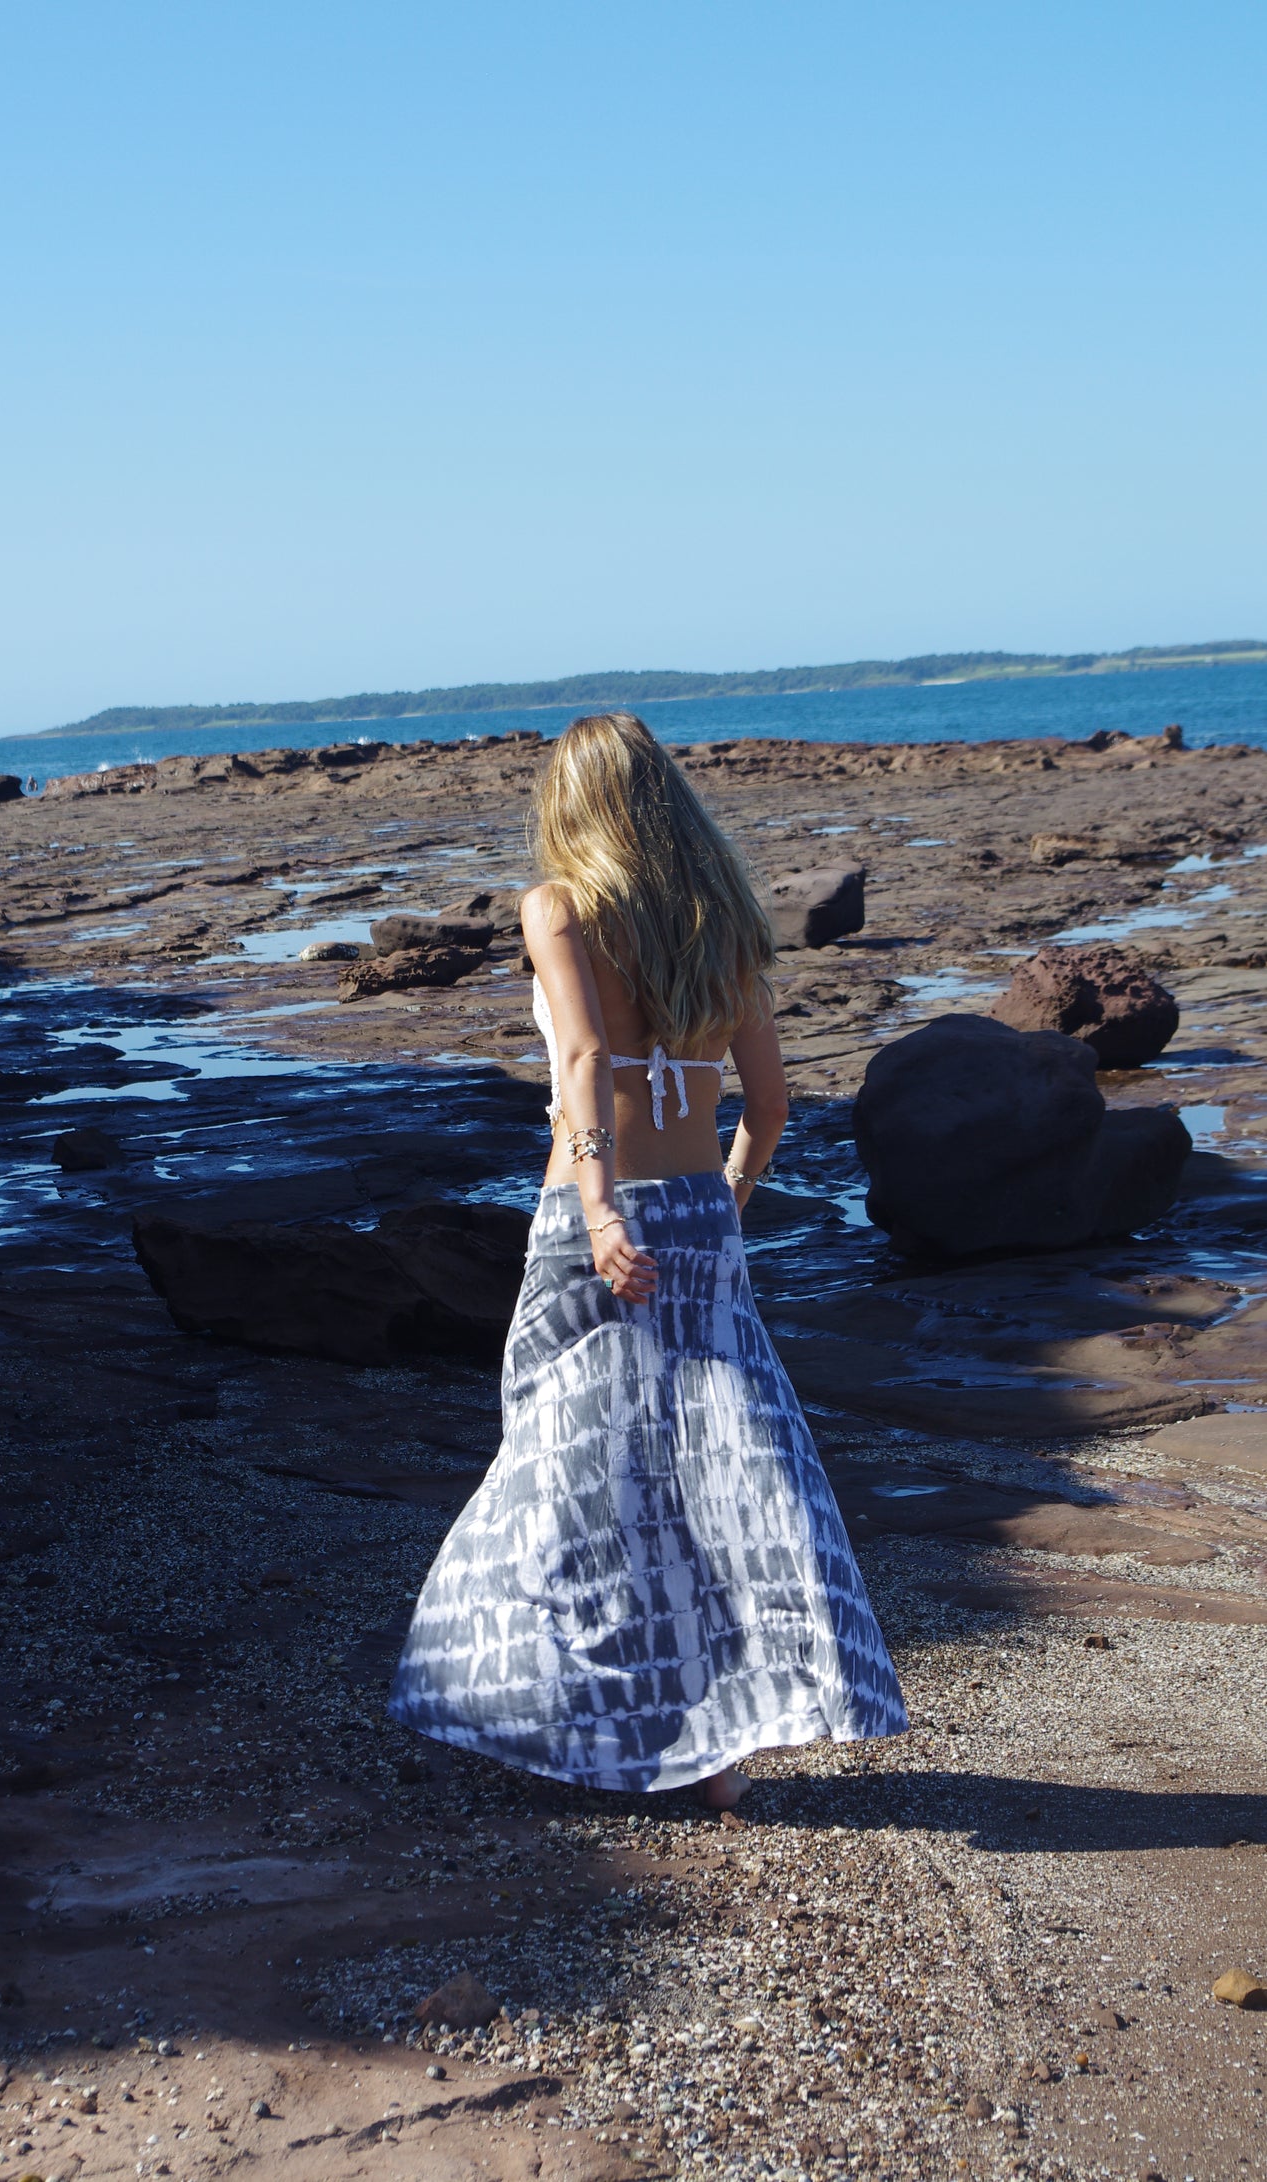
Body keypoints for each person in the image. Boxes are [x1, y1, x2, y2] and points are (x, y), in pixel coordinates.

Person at [388, 712, 905, 1806]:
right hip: (696, 1221)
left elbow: (580, 1057)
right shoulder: (722, 918)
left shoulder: (558, 905)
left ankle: (578, 1718)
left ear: (571, 805)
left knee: (570, 1469)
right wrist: (718, 1200)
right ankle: (715, 1742)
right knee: (724, 1466)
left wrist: (602, 1209)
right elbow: (767, 1104)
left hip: (596, 1216)